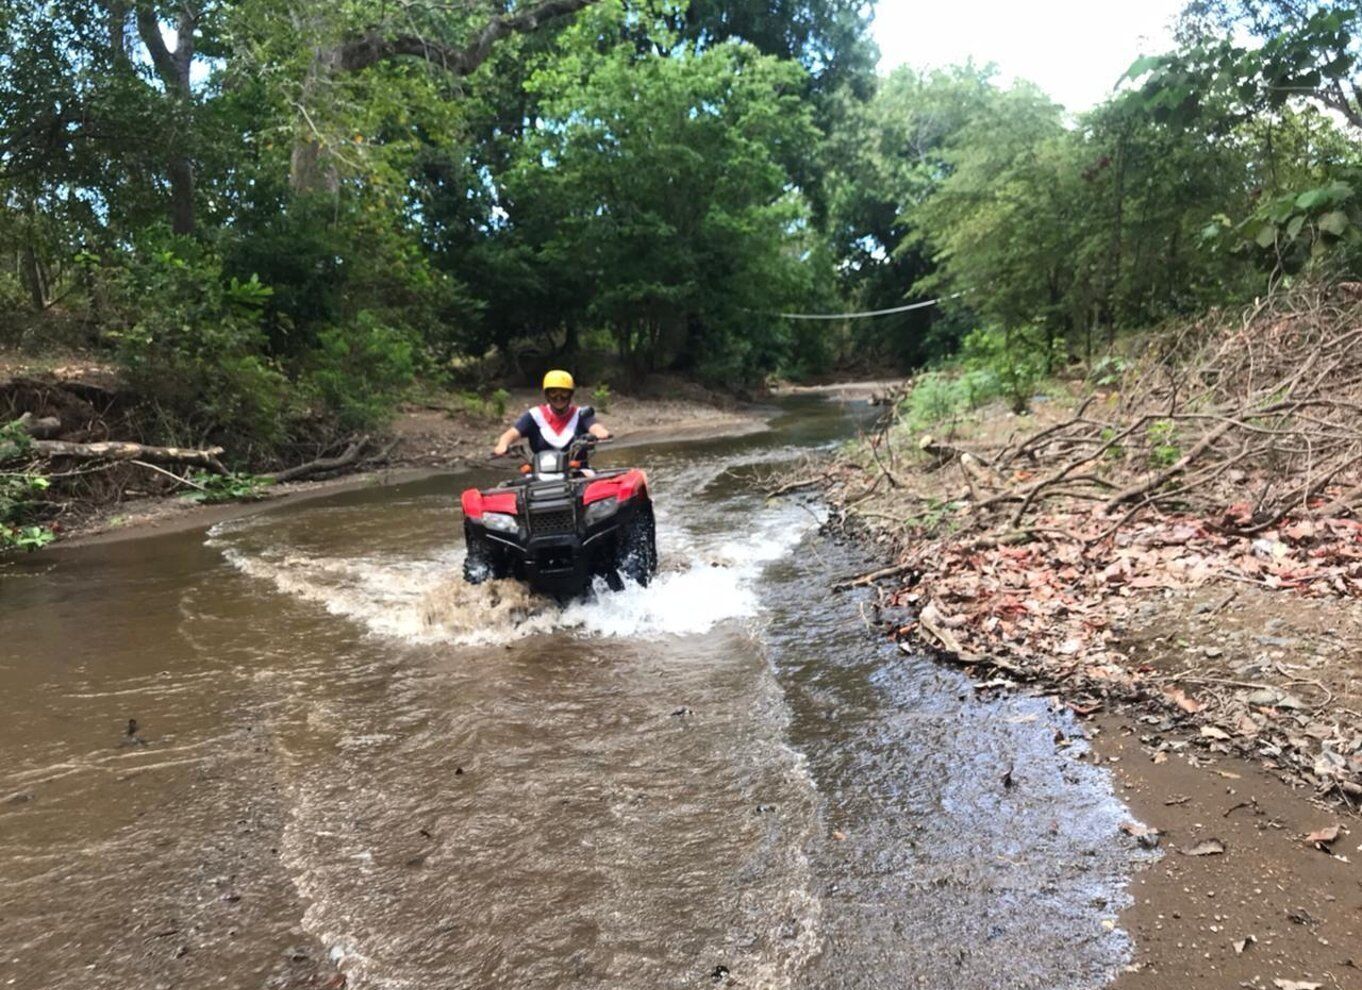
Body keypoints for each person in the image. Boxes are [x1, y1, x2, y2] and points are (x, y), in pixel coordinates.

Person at [492, 370, 611, 460]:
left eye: (564, 392)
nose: (558, 397)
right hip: (539, 471)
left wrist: (601, 433)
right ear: (547, 395)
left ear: (570, 394)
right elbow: (511, 434)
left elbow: (595, 427)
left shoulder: (581, 414)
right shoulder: (535, 415)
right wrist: (502, 445)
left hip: (578, 471)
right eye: (553, 392)